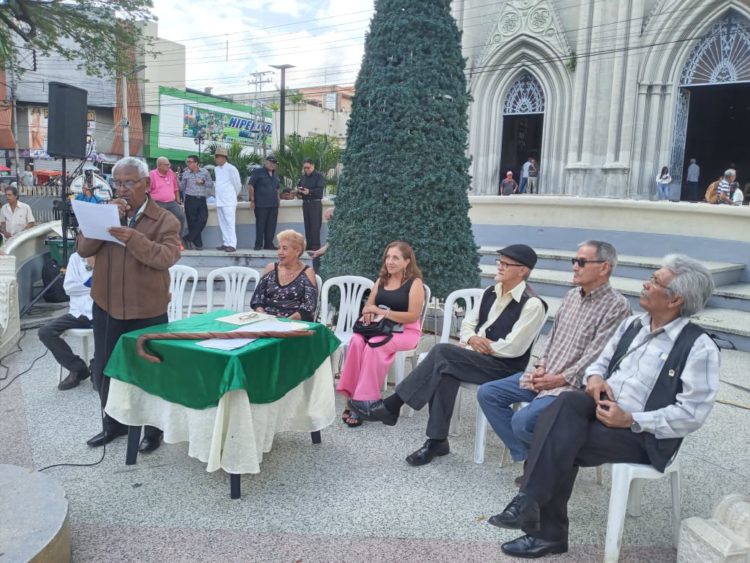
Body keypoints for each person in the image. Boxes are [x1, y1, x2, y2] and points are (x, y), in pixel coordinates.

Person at [490, 254, 720, 559]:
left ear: (675, 298)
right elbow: (598, 363)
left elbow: (692, 414)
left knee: (559, 439)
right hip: (601, 408)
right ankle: (535, 511)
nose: (645, 284)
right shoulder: (632, 325)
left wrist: (631, 419)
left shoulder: (699, 347)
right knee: (567, 402)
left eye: (654, 281)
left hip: (643, 434)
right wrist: (595, 377)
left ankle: (541, 521)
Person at [355, 245, 547, 465]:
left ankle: (392, 405)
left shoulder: (533, 304)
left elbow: (514, 347)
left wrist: (476, 344)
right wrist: (472, 339)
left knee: (441, 353)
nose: (500, 267)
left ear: (522, 270)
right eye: (499, 262)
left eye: (506, 264)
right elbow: (468, 324)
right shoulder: (491, 292)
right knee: (444, 371)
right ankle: (437, 441)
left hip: (504, 368)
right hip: (478, 357)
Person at [477, 241, 630, 483]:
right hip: (545, 377)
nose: (574, 267)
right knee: (488, 393)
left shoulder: (617, 306)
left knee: (522, 422)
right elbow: (551, 339)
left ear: (604, 268)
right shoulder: (570, 296)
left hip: (571, 388)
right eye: (574, 261)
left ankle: (541, 465)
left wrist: (556, 379)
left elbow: (598, 356)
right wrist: (540, 367)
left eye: (581, 262)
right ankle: (536, 458)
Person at [77, 157, 181, 453]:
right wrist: (100, 221)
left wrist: (134, 238)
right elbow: (84, 249)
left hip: (147, 310)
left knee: (148, 372)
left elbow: (165, 258)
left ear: (147, 184)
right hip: (107, 306)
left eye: (128, 182)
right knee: (104, 370)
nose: (121, 189)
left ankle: (153, 431)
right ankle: (113, 424)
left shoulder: (166, 219)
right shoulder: (106, 212)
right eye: (117, 183)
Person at [337, 241, 427, 427]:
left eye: (396, 257)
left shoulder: (414, 283)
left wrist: (383, 312)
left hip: (406, 331)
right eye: (388, 257)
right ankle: (351, 396)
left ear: (407, 262)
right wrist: (369, 312)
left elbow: (412, 316)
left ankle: (365, 401)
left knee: (376, 344)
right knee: (356, 340)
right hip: (379, 327)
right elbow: (369, 307)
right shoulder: (381, 281)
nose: (390, 261)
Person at [38, 251, 95, 390]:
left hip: (102, 311)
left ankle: (97, 370)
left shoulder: (109, 254)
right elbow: (68, 288)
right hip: (78, 313)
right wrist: (92, 283)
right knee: (45, 332)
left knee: (109, 331)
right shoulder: (76, 258)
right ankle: (77, 368)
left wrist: (87, 285)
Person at [250, 229, 318, 321]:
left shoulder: (307, 272)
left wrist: (285, 322)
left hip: (293, 324)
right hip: (267, 321)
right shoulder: (271, 268)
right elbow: (257, 300)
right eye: (279, 248)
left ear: (297, 251)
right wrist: (263, 317)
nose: (279, 252)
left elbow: (309, 307)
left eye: (284, 248)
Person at [149, 157, 187, 241]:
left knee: (181, 216)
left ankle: (178, 240)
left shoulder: (171, 173)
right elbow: (147, 190)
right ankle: (158, 241)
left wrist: (178, 202)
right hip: (157, 203)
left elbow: (176, 189)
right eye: (166, 165)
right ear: (159, 166)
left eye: (169, 164)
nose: (169, 166)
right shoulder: (152, 174)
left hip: (171, 203)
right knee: (158, 222)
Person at [180, 154, 214, 250]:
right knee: (192, 223)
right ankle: (198, 245)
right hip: (190, 199)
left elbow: (210, 184)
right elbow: (181, 187)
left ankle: (187, 238)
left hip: (202, 199)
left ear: (196, 163)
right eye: (187, 162)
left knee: (203, 219)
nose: (188, 164)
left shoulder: (205, 172)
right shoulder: (186, 173)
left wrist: (203, 182)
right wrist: (177, 179)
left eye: (190, 162)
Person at [248, 155, 281, 250]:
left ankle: (268, 244)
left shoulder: (275, 175)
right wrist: (252, 200)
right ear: (265, 162)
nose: (272, 164)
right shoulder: (258, 172)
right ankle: (258, 245)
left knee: (271, 225)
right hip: (261, 204)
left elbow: (277, 188)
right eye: (270, 162)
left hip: (273, 205)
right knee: (260, 224)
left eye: (274, 163)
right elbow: (251, 185)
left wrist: (278, 201)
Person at [214, 147, 242, 252]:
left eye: (219, 157)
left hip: (229, 200)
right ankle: (226, 243)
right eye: (216, 157)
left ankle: (232, 244)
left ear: (224, 158)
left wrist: (233, 196)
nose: (217, 159)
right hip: (219, 200)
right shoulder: (216, 169)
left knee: (230, 223)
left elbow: (237, 185)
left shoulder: (231, 168)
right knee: (222, 223)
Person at [297, 159, 326, 262]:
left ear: (313, 166)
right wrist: (299, 191)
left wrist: (309, 191)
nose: (306, 170)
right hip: (306, 204)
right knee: (307, 226)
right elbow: (300, 187)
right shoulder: (304, 177)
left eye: (308, 167)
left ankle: (315, 249)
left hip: (315, 203)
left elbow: (319, 192)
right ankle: (309, 246)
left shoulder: (318, 176)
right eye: (305, 168)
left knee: (315, 226)